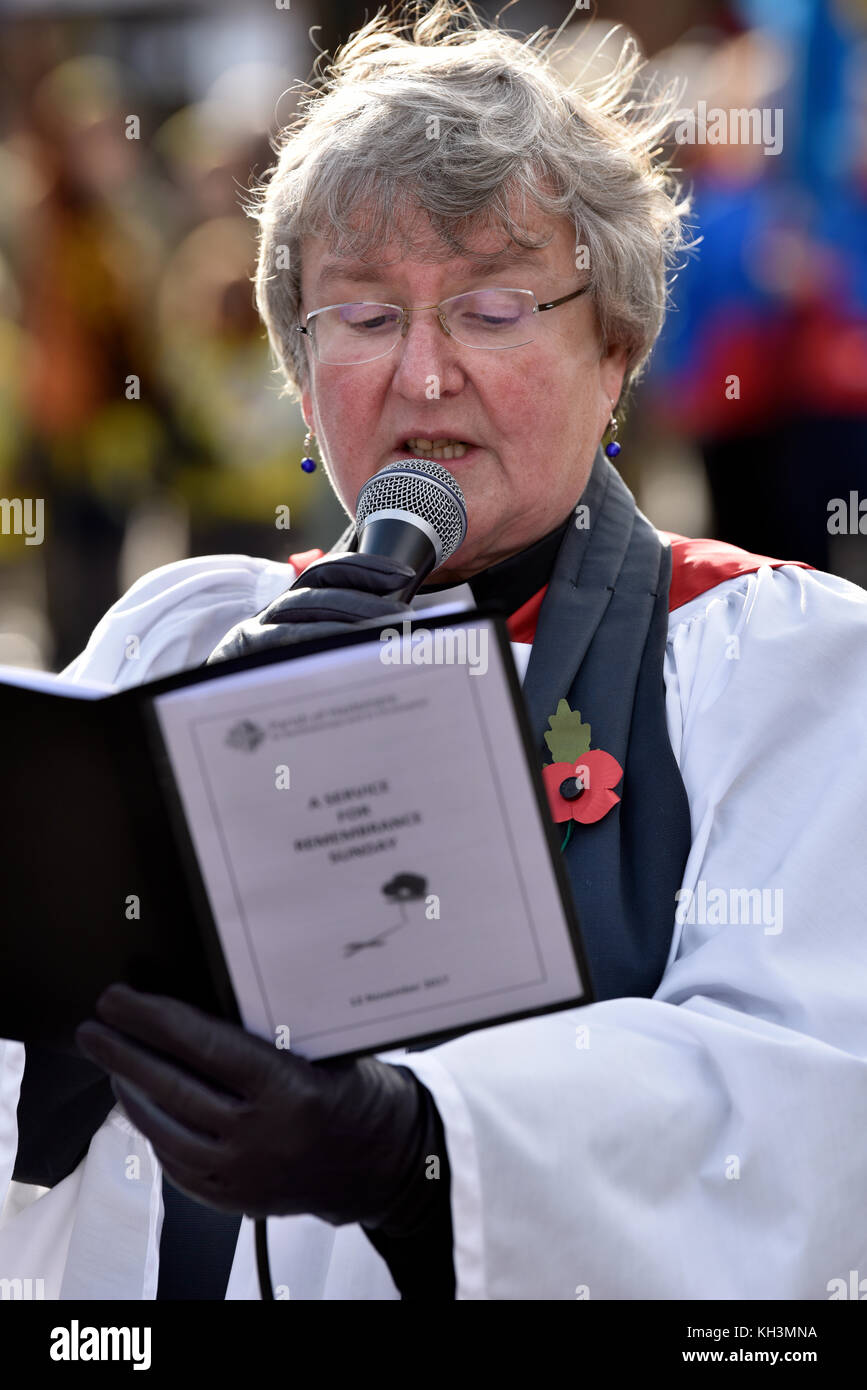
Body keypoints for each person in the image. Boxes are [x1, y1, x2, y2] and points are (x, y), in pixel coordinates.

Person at [3, 1, 867, 1301]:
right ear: (301, 369)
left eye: (495, 306)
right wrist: (76, 1019)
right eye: (360, 317)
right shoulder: (172, 641)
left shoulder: (780, 666)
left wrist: (415, 1148)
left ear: (616, 348)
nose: (421, 376)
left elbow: (793, 1104)